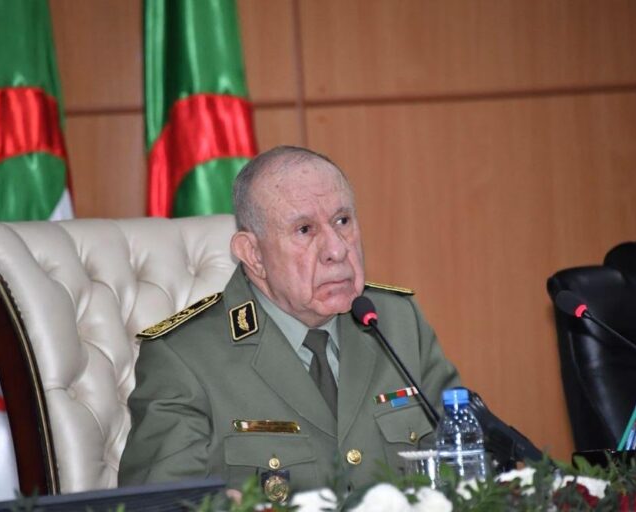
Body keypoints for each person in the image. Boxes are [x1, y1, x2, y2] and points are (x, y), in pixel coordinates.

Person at [118, 146, 460, 499]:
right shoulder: (184, 358)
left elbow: (468, 461)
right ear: (253, 254)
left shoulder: (397, 322)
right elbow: (160, 504)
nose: (337, 250)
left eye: (342, 221)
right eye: (305, 230)